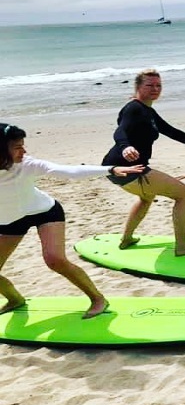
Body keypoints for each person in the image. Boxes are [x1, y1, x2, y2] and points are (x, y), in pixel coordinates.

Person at [0, 123, 144, 318]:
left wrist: (110, 169)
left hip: (45, 211)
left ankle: (98, 299)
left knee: (55, 260)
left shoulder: (27, 164)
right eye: (17, 147)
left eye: (23, 145)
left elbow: (68, 171)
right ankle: (15, 299)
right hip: (10, 220)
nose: (24, 151)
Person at [102, 69, 185, 256]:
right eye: (149, 85)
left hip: (116, 168)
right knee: (184, 194)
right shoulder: (133, 108)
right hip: (128, 167)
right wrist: (125, 146)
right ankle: (182, 246)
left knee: (145, 199)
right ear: (138, 87)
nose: (155, 89)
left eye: (158, 85)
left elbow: (172, 132)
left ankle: (127, 239)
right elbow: (120, 131)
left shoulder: (148, 111)